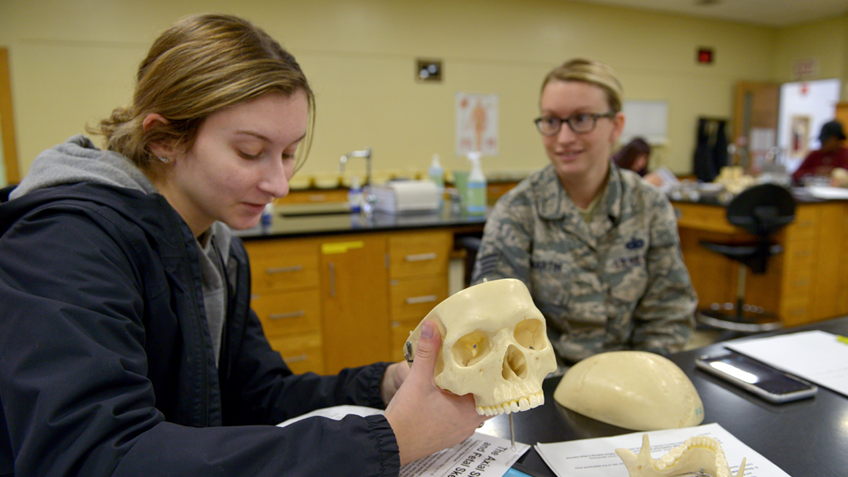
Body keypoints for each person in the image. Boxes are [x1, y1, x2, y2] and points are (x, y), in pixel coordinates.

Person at [0, 14, 485, 476]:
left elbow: (251, 397)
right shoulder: (64, 242)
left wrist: (380, 385)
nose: (279, 184)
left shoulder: (217, 246)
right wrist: (390, 440)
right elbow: (91, 458)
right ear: (164, 137)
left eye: (290, 153)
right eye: (250, 152)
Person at [471, 58, 697, 365]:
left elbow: (669, 310)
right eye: (551, 121)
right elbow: (496, 324)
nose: (563, 138)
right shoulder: (517, 211)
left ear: (615, 126)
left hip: (634, 379)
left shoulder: (648, 206)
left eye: (581, 119)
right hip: (544, 387)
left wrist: (644, 374)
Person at [791, 119, 848, 184]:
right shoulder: (815, 154)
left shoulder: (845, 155)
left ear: (837, 139)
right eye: (822, 140)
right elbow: (794, 175)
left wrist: (832, 172)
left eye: (826, 141)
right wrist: (815, 171)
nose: (822, 143)